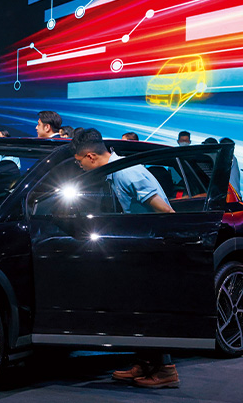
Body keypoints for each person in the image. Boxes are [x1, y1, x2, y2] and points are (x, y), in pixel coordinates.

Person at [72, 128, 178, 388]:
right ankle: (145, 363)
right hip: (138, 248)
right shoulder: (115, 172)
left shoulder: (128, 172)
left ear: (90, 156)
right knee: (136, 309)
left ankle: (167, 370)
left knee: (149, 310)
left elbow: (166, 212)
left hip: (152, 249)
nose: (79, 166)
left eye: (79, 161)